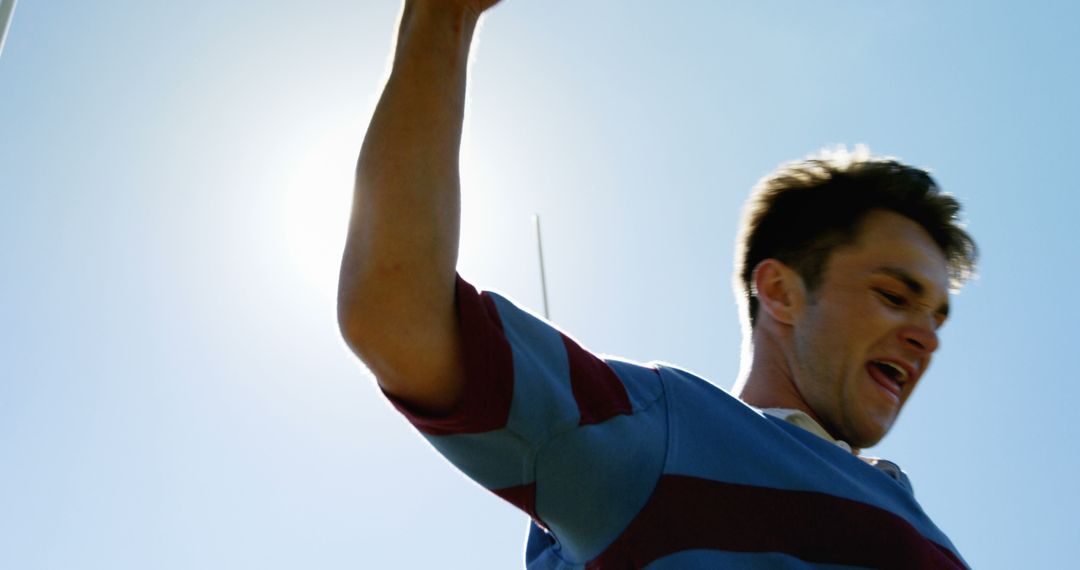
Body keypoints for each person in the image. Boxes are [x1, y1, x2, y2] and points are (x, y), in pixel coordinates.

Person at [336, 1, 976, 568]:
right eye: (893, 296)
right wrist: (443, 15)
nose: (925, 338)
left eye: (936, 316)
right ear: (779, 292)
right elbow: (397, 315)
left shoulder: (920, 523)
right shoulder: (669, 443)